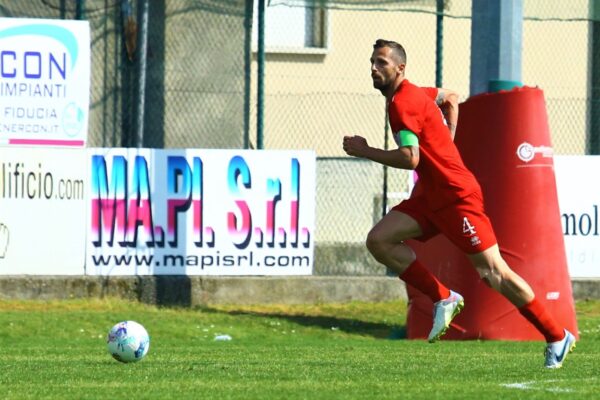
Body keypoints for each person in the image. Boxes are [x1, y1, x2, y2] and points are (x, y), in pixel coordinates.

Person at [342, 38, 575, 369]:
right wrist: (448, 136)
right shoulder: (414, 93)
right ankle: (443, 296)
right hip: (430, 196)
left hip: (455, 197)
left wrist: (365, 150)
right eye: (372, 62)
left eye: (381, 62)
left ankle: (556, 335)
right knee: (379, 240)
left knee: (493, 273)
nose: (374, 68)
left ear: (400, 68)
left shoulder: (402, 104)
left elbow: (411, 158)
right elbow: (450, 97)